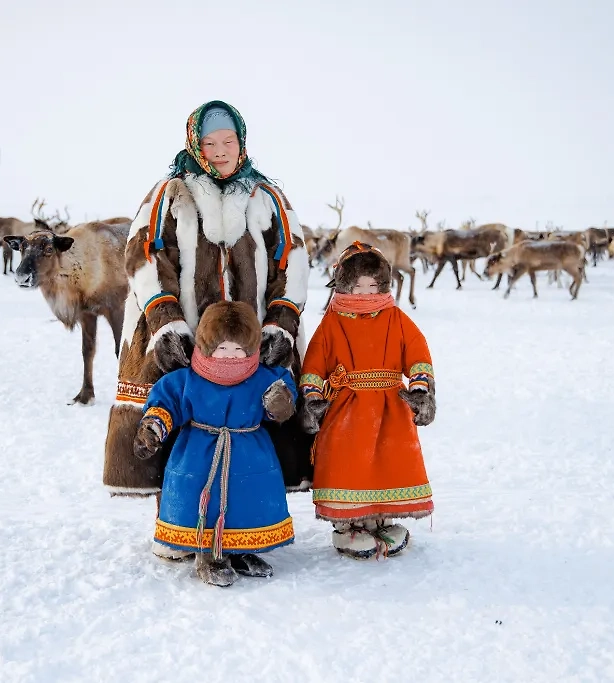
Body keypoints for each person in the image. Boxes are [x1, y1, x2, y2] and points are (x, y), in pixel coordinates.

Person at [102, 100, 313, 574]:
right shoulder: (170, 194)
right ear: (195, 143)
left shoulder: (267, 197)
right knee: (176, 422)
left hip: (246, 340)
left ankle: (242, 529)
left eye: (228, 142)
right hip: (178, 331)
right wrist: (166, 323)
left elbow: (292, 261)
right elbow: (144, 256)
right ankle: (175, 523)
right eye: (211, 143)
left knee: (250, 432)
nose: (220, 151)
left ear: (241, 142)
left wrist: (281, 322)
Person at [133, 301, 297, 586]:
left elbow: (282, 390)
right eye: (222, 349)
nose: (231, 357)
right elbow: (167, 401)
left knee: (246, 503)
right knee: (205, 505)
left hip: (249, 451)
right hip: (201, 453)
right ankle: (207, 556)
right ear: (207, 346)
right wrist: (153, 427)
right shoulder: (189, 378)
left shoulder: (261, 376)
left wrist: (280, 402)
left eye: (239, 350)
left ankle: (240, 550)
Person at [300, 242, 437, 559]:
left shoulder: (396, 317)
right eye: (357, 285)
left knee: (387, 462)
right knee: (350, 463)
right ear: (344, 284)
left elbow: (417, 354)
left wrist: (419, 389)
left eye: (372, 285)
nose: (365, 292)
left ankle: (381, 519)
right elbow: (315, 364)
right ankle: (348, 526)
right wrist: (313, 398)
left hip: (391, 406)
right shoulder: (333, 321)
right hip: (347, 407)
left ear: (383, 285)